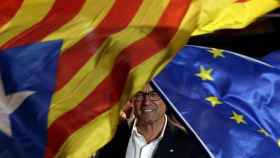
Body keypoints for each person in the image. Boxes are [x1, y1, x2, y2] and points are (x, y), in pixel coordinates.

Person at [96, 83, 210, 158]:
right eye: (139, 95)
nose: (146, 102)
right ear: (132, 100)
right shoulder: (109, 139)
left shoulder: (191, 146)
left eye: (154, 94)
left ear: (167, 99)